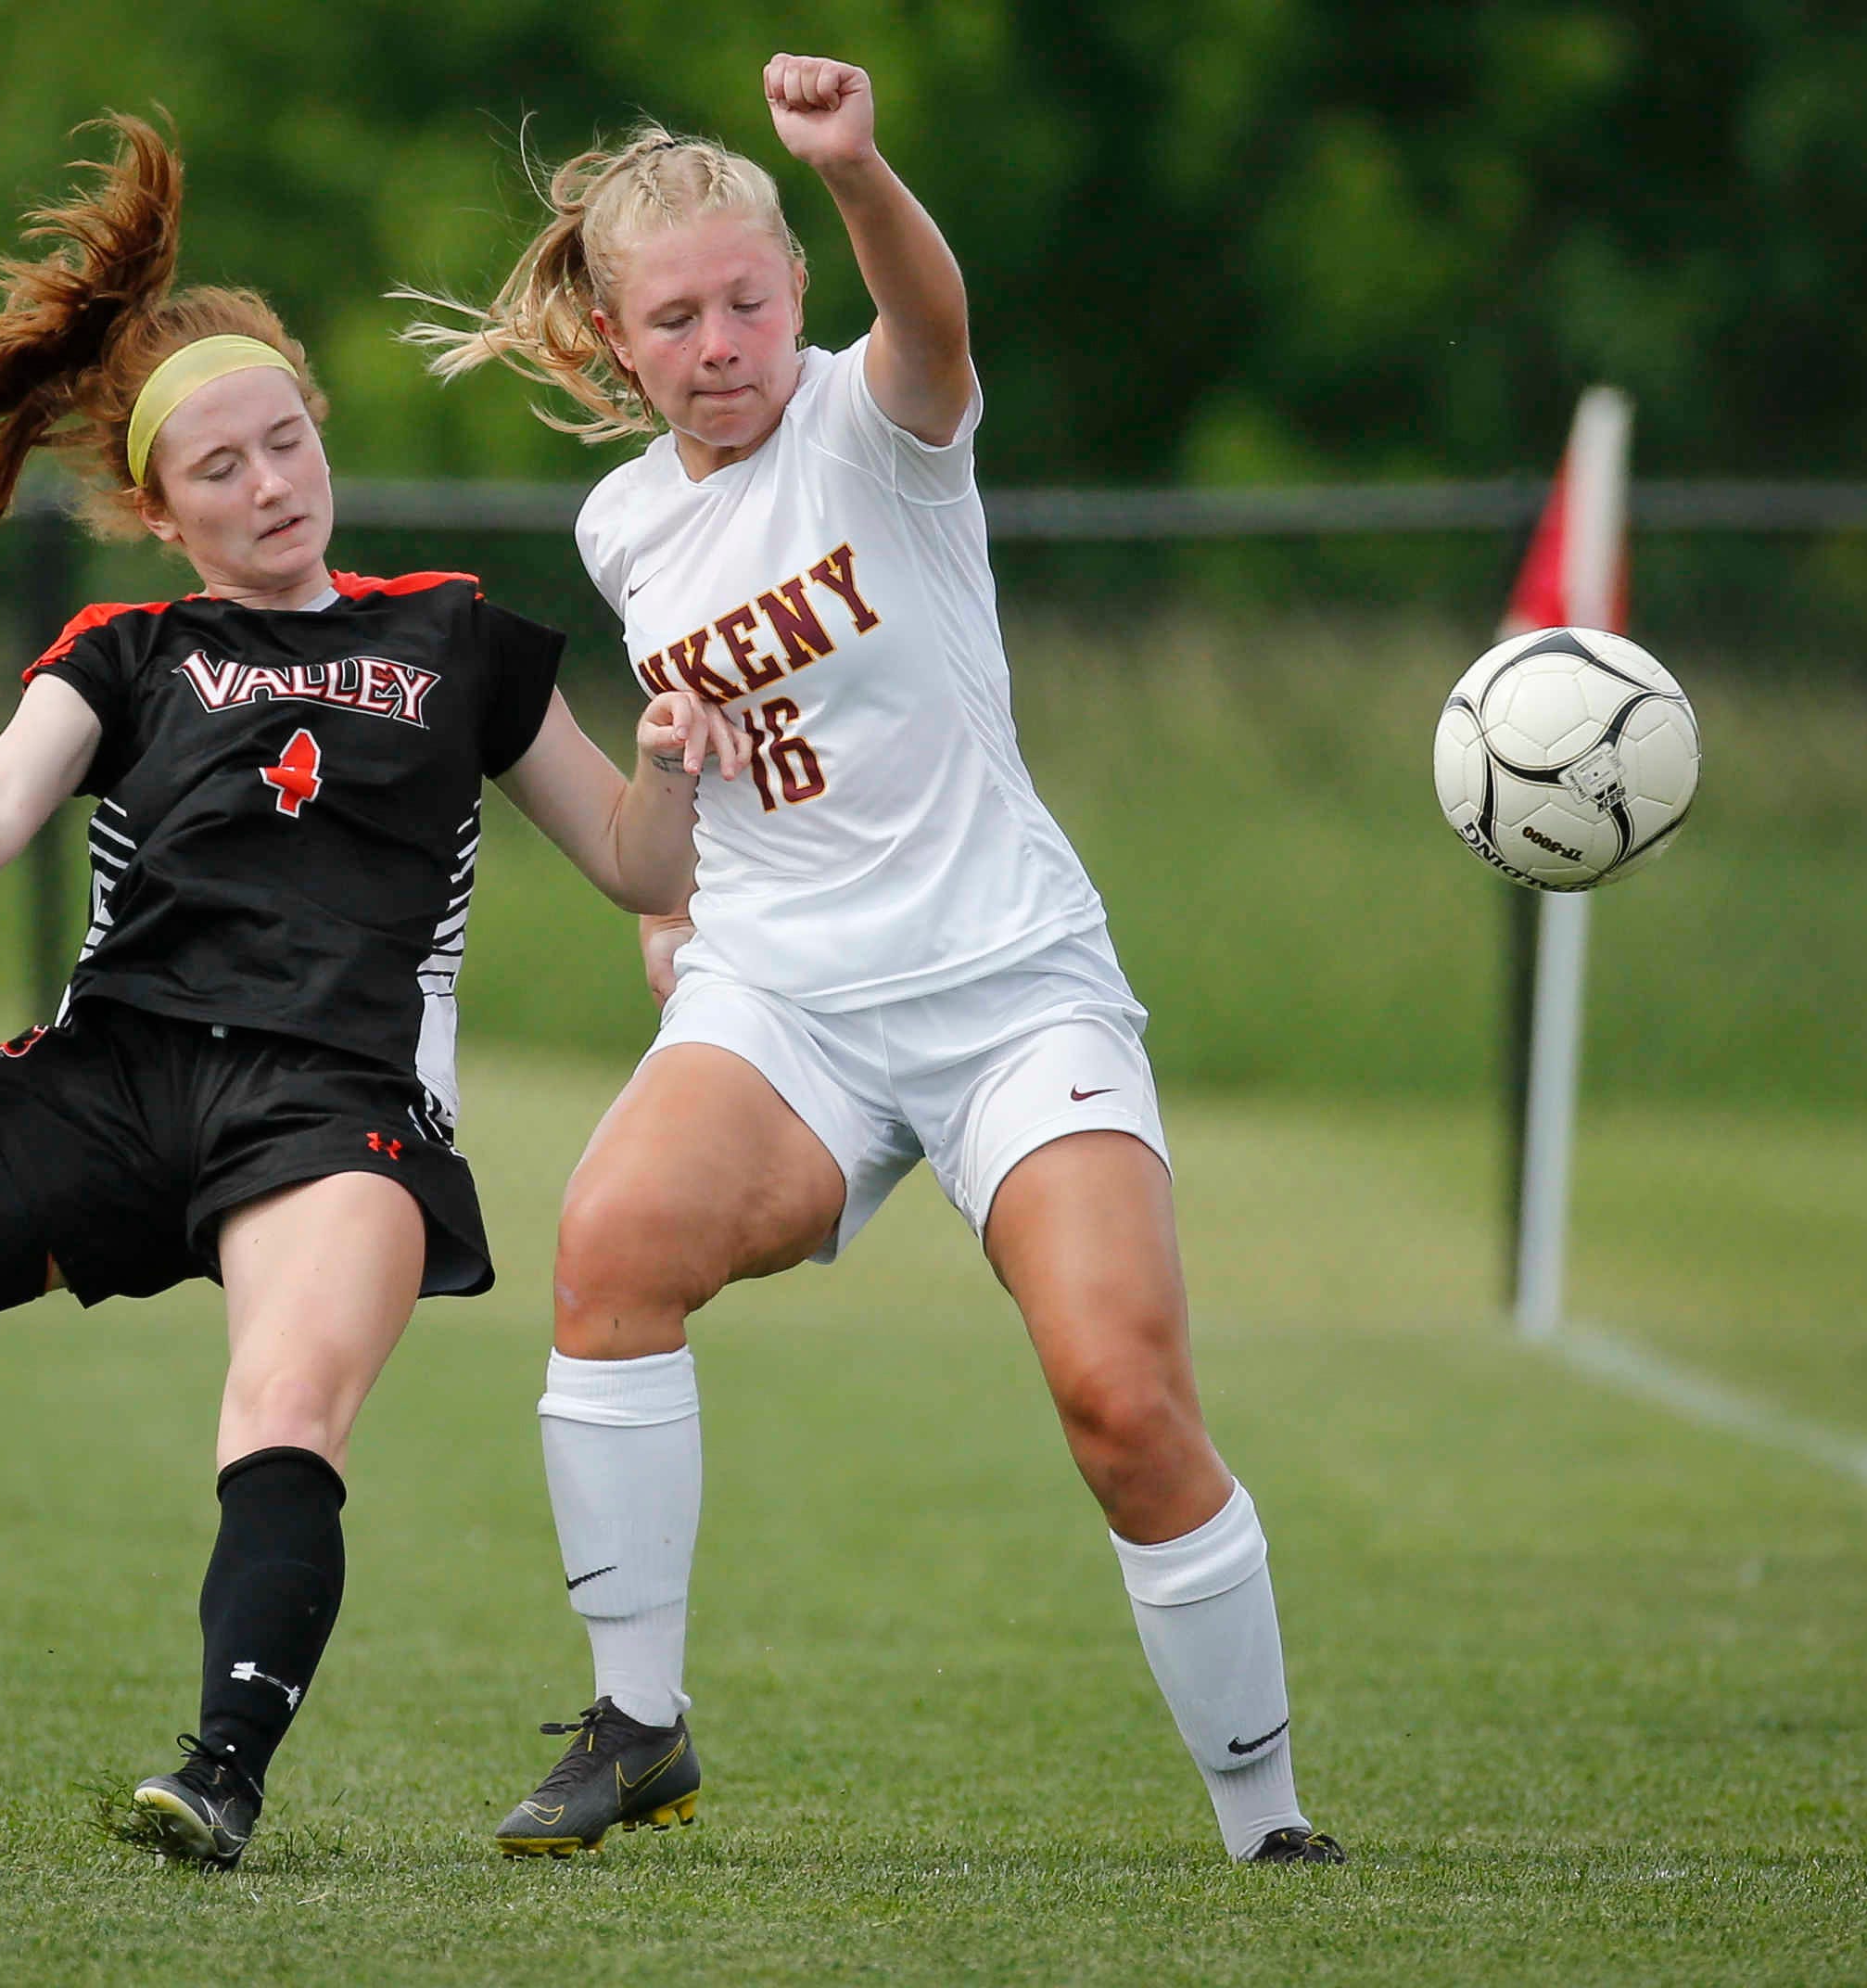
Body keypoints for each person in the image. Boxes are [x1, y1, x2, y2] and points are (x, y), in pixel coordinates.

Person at [0, 114, 747, 1869]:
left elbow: (635, 863)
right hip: (109, 1085)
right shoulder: (129, 652)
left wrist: (672, 760)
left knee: (283, 1416)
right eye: (220, 468)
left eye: (288, 441)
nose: (271, 484)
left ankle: (219, 1774)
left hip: (334, 1104)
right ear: (159, 510)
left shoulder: (456, 639)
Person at [400, 56, 1344, 1867]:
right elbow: (708, 756)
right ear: (615, 343)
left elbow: (933, 318)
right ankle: (636, 1728)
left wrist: (849, 167)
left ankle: (1265, 1821)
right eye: (674, 319)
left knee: (1120, 1400)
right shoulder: (622, 524)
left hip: (1008, 989)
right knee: (607, 1247)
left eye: (747, 301)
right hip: (787, 1001)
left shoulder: (869, 420)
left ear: (795, 290)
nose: (720, 344)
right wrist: (671, 894)